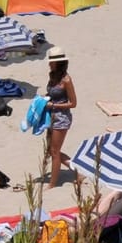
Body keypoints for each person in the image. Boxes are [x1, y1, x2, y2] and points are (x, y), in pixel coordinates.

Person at [41, 46, 77, 187]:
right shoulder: (52, 76)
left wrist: (54, 105)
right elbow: (51, 94)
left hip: (62, 118)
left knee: (55, 151)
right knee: (51, 150)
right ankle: (76, 169)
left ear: (59, 63)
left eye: (52, 62)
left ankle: (53, 183)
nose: (49, 64)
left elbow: (73, 103)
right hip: (51, 116)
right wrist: (44, 99)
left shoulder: (66, 80)